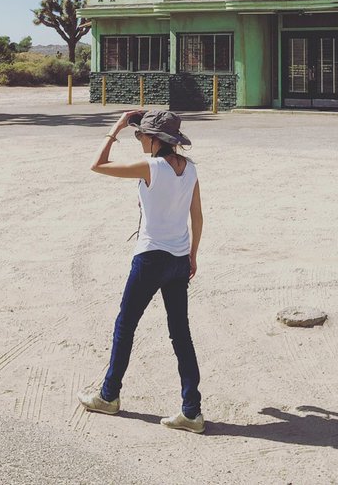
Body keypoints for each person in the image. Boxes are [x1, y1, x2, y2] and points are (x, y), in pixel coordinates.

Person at [78, 109, 205, 433]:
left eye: (140, 135)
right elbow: (197, 217)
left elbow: (97, 165)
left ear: (154, 139)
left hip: (150, 258)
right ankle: (191, 412)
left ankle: (109, 396)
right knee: (181, 332)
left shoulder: (152, 167)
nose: (138, 140)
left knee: (125, 324)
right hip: (178, 259)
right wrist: (192, 255)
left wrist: (117, 127)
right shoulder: (188, 169)